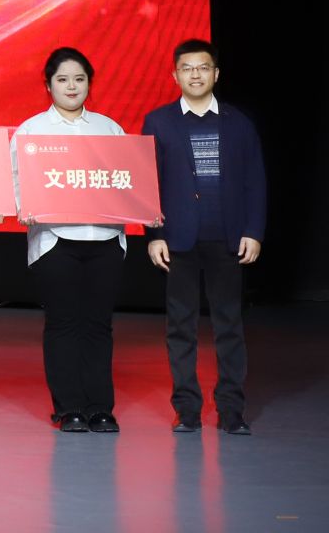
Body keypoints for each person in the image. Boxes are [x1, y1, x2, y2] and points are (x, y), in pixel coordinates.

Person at [143, 38, 267, 436]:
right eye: (187, 68)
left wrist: (254, 231)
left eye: (202, 67)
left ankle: (231, 411)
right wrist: (154, 233)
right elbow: (148, 182)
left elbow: (255, 181)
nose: (195, 75)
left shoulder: (239, 122)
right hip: (177, 240)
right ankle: (187, 410)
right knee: (180, 327)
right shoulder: (158, 122)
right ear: (175, 75)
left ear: (216, 73)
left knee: (229, 326)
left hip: (228, 239)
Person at [15, 46, 130, 434]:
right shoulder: (32, 131)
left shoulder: (109, 129)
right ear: (48, 85)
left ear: (89, 84)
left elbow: (127, 180)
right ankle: (69, 408)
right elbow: (16, 180)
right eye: (62, 79)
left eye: (79, 79)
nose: (71, 86)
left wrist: (142, 207)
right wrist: (25, 206)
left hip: (104, 238)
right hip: (55, 240)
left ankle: (101, 407)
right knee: (62, 323)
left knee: (99, 325)